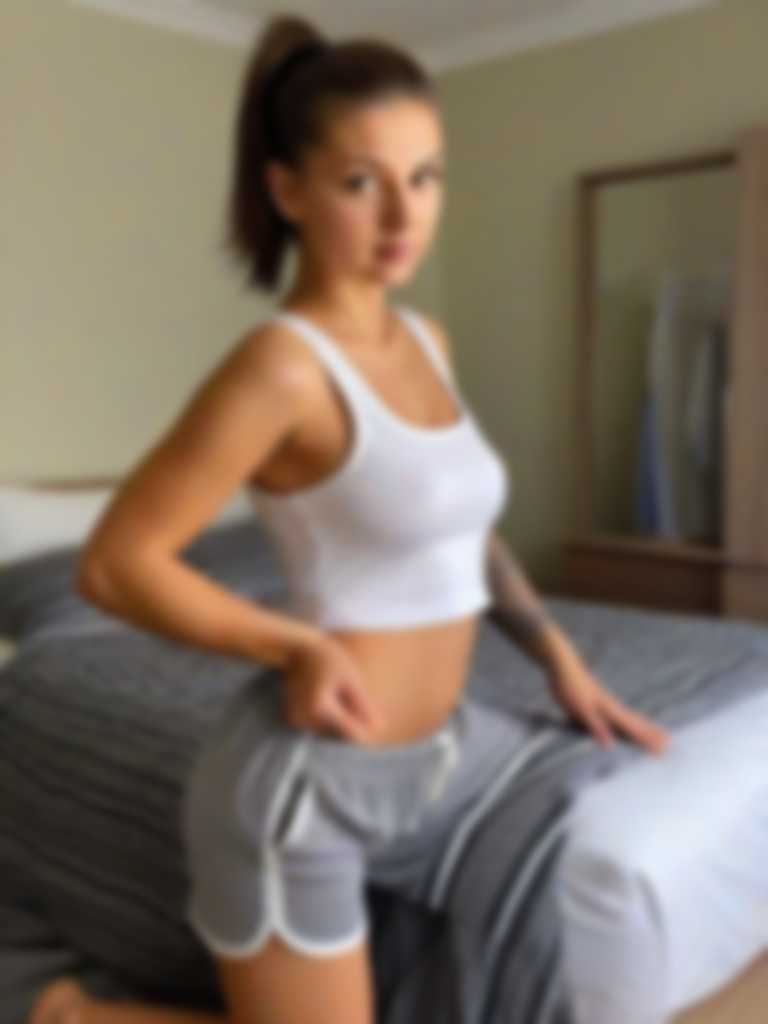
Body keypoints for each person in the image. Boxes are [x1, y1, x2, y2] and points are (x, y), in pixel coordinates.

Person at [27, 13, 671, 1024]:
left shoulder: (426, 339)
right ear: (288, 191)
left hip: (441, 752)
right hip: (308, 788)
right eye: (362, 182)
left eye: (425, 176)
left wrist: (558, 657)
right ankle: (78, 1014)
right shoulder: (281, 368)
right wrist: (293, 644)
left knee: (556, 831)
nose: (404, 213)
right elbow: (115, 565)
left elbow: (458, 531)